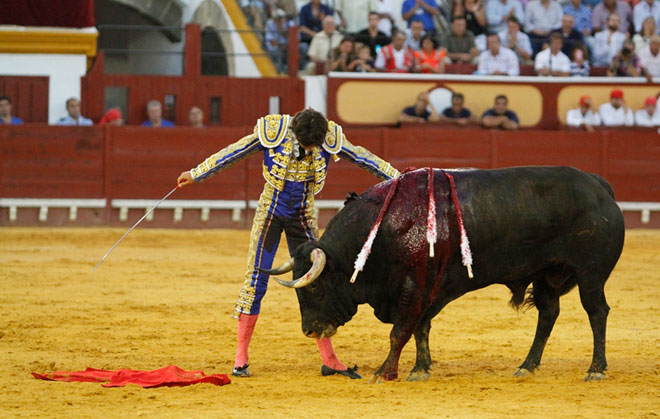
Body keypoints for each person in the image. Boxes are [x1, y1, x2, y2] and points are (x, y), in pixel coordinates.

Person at [176, 109, 400, 379]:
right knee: (255, 281)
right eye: (307, 144)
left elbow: (363, 157)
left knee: (315, 281)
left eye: (313, 145)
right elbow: (234, 152)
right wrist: (197, 173)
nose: (310, 149)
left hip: (303, 217)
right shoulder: (274, 131)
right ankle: (240, 358)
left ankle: (329, 359)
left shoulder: (328, 136)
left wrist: (400, 178)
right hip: (269, 213)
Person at [298, 0, 334, 70]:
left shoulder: (325, 8)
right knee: (303, 47)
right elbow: (302, 27)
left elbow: (330, 22)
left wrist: (323, 20)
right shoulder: (305, 8)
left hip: (323, 37)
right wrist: (313, 34)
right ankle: (303, 69)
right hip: (307, 38)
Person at [265, 8, 295, 73]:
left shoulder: (289, 23)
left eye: (282, 18)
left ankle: (294, 70)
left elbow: (294, 39)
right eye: (278, 19)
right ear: (274, 19)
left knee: (300, 48)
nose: (281, 20)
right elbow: (272, 43)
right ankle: (280, 70)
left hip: (287, 46)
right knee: (277, 50)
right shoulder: (270, 24)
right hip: (276, 48)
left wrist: (283, 31)